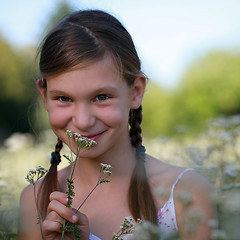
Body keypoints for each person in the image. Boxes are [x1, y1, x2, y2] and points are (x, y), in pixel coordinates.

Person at [18, 9, 216, 240]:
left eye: (101, 97)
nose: (83, 121)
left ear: (136, 92)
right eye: (64, 98)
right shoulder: (35, 201)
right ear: (44, 96)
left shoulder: (185, 193)